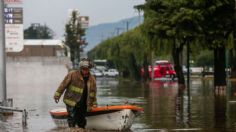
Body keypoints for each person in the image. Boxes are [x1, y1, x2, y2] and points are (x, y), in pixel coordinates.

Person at [54, 58, 97, 130]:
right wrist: (57, 95)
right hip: (71, 101)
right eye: (83, 69)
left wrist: (94, 103)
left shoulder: (92, 79)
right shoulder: (72, 74)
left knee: (82, 121)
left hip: (83, 103)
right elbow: (63, 85)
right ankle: (72, 129)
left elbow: (93, 93)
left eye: (87, 69)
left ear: (89, 69)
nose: (85, 71)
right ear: (80, 68)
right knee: (72, 117)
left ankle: (81, 129)